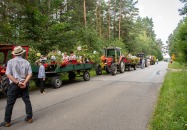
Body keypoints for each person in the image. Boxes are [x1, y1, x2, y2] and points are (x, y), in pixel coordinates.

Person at [0, 46, 33, 127]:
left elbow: (8, 74)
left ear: (15, 54)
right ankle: (29, 117)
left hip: (14, 85)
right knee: (27, 100)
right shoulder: (26, 62)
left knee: (10, 103)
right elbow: (30, 74)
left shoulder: (10, 62)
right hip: (24, 84)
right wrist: (24, 82)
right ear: (22, 53)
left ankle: (7, 121)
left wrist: (18, 83)